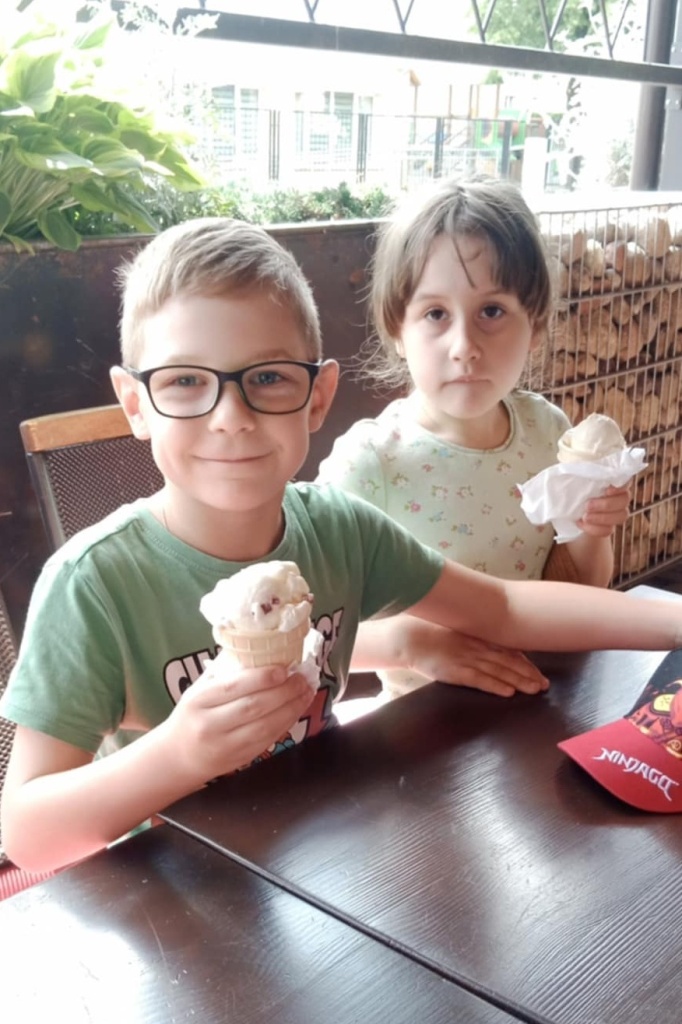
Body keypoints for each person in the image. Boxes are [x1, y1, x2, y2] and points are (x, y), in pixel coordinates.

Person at [1, 217, 679, 877]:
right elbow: (26, 837)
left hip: (317, 869)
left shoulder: (340, 532)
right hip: (172, 902)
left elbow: (502, 607)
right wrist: (178, 754)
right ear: (135, 404)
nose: (231, 418)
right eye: (184, 381)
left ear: (318, 396)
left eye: (268, 378)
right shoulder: (92, 586)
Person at [317, 179, 631, 700]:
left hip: (541, 698)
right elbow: (310, 631)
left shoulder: (548, 432)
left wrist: (594, 530)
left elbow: (585, 586)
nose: (464, 346)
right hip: (424, 723)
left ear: (535, 328)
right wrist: (412, 644)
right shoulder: (369, 463)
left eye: (491, 311)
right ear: (397, 330)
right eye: (435, 314)